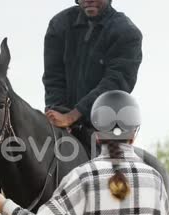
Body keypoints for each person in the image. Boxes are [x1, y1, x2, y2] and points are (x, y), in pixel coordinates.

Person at [0, 91, 169, 215]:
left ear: (96, 134)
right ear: (134, 133)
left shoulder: (81, 178)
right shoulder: (155, 180)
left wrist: (3, 205)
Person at [43, 0, 143, 156]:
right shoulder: (59, 24)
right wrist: (58, 113)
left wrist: (73, 116)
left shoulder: (127, 33)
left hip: (106, 126)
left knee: (112, 177)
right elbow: (53, 77)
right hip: (62, 120)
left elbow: (114, 84)